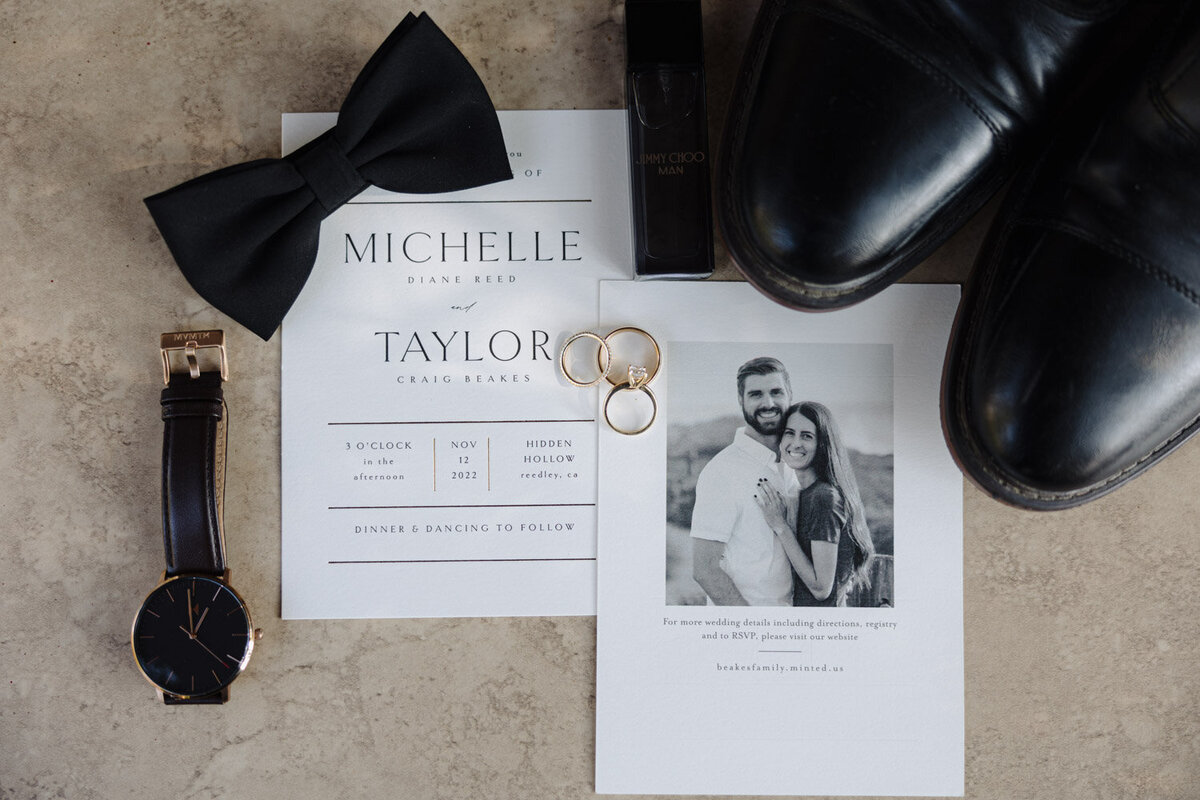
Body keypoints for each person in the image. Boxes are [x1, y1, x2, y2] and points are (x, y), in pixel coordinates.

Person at [690, 357, 798, 606]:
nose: (768, 403)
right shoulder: (722, 471)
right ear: (741, 400)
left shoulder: (795, 464)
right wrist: (752, 628)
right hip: (747, 629)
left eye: (776, 392)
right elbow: (705, 570)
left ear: (790, 395)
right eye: (756, 394)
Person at [754, 401, 875, 607]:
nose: (796, 443)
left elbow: (821, 588)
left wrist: (780, 526)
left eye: (807, 436)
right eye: (789, 433)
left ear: (822, 444)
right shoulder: (806, 493)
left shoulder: (823, 497)